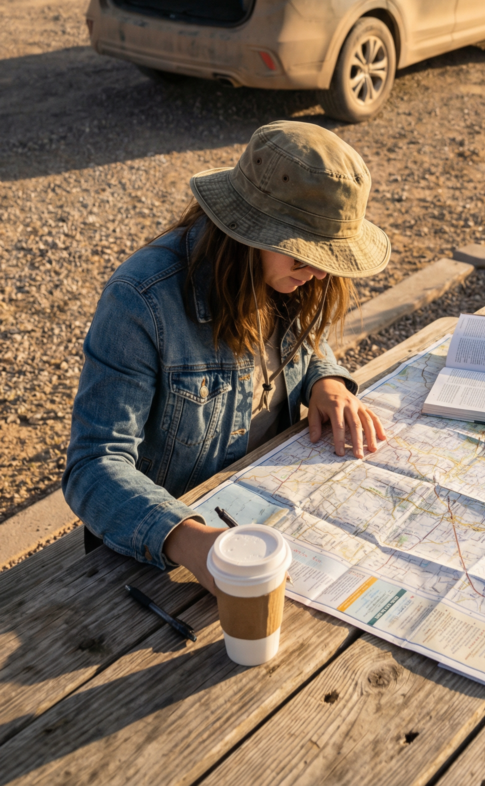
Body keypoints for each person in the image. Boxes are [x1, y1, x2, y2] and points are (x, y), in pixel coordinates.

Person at [63, 120, 391, 592]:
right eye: (302, 256)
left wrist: (326, 380)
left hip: (267, 521)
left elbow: (308, 342)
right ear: (248, 233)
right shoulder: (141, 299)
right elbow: (93, 465)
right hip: (159, 563)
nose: (318, 274)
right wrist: (189, 540)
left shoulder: (288, 278)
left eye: (330, 259)